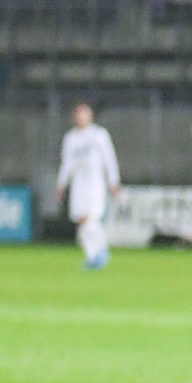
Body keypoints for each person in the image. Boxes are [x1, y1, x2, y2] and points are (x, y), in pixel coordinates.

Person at [56, 101, 120, 270]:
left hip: (95, 184)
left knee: (90, 218)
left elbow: (109, 159)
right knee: (81, 222)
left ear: (90, 116)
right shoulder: (71, 138)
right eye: (77, 114)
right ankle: (93, 257)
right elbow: (67, 163)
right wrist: (61, 183)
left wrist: (114, 181)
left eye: (83, 113)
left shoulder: (99, 135)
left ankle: (101, 250)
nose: (80, 117)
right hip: (78, 185)